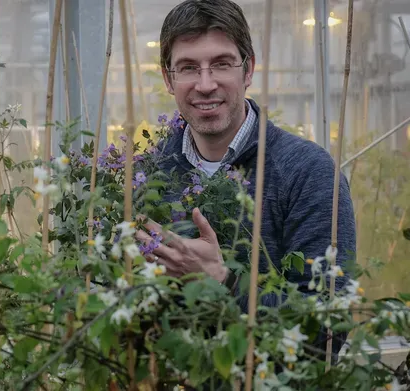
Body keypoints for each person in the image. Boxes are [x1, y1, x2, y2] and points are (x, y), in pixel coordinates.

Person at [133, 0, 357, 364]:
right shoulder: (145, 178)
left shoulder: (307, 173)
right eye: (188, 68)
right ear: (168, 78)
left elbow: (325, 331)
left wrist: (222, 282)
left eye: (221, 64)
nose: (206, 85)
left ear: (248, 68)